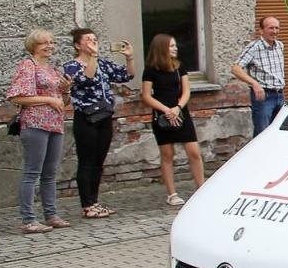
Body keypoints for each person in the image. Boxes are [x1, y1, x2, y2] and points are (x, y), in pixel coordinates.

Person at [62, 29, 134, 220]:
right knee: (87, 161)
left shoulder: (102, 63)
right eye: (88, 40)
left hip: (103, 115)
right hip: (85, 117)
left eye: (95, 39)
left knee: (98, 162)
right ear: (78, 45)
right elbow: (88, 79)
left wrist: (129, 58)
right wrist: (93, 57)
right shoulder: (71, 66)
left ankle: (94, 201)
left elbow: (126, 76)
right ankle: (87, 205)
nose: (93, 43)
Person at [8, 29, 71, 234]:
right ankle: (28, 219)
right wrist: (49, 99)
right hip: (35, 123)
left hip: (55, 123)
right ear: (33, 45)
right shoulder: (29, 66)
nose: (50, 46)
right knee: (32, 172)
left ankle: (51, 215)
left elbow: (64, 102)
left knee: (50, 172)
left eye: (52, 42)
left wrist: (65, 90)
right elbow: (16, 97)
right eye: (44, 43)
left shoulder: (52, 69)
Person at [142, 33, 205, 207]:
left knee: (194, 151)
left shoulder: (179, 67)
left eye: (175, 45)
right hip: (162, 114)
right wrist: (165, 110)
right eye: (171, 46)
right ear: (161, 48)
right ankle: (172, 193)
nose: (175, 48)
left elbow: (186, 91)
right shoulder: (151, 69)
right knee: (167, 154)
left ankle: (201, 188)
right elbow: (146, 96)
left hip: (181, 113)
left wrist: (178, 108)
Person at [231, 16, 286, 135]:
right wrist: (254, 84)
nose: (275, 31)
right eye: (271, 28)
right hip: (263, 97)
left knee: (280, 132)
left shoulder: (280, 46)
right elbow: (236, 68)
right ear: (261, 30)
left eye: (277, 28)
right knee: (262, 134)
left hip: (280, 95)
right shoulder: (254, 47)